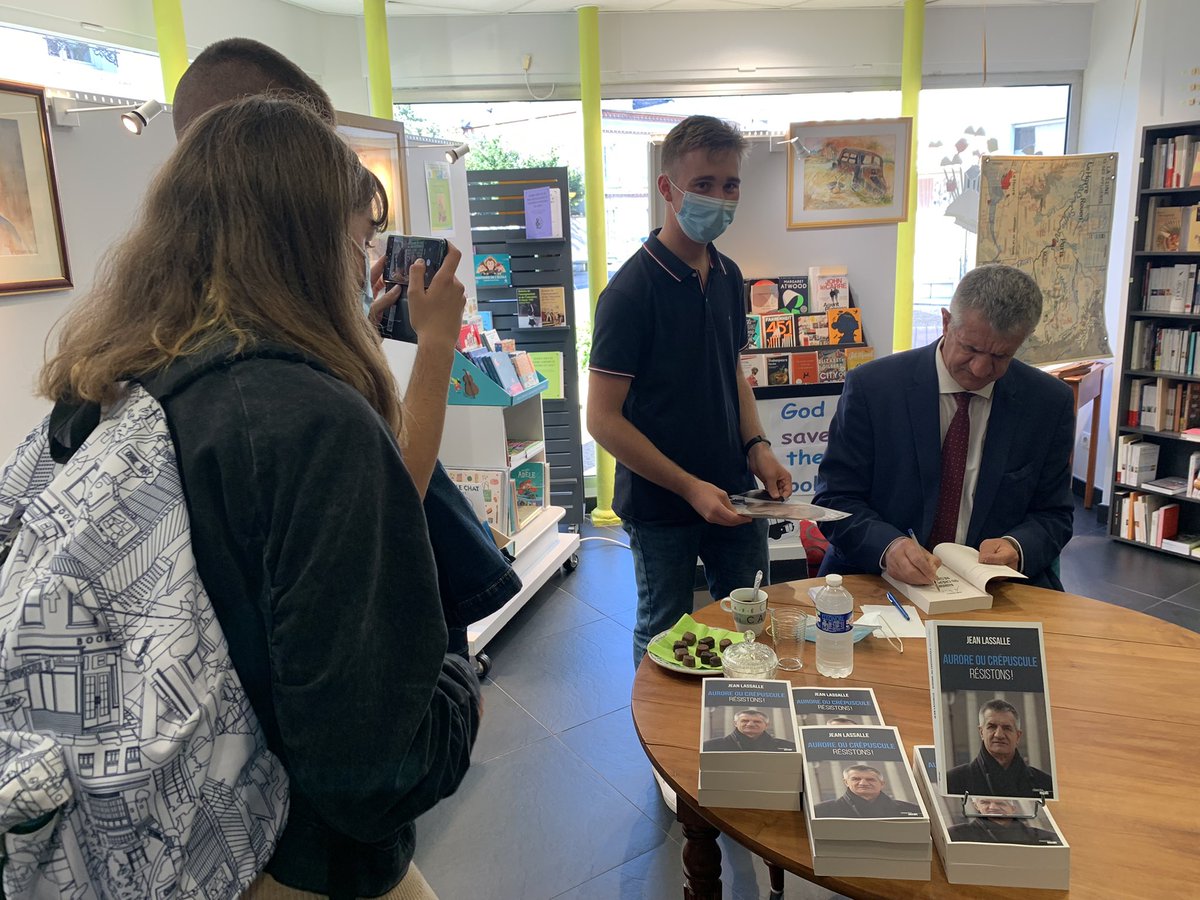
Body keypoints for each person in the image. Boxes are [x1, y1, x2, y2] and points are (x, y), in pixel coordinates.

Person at [38, 96, 480, 898]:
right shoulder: (313, 422)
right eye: (360, 234)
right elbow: (373, 770)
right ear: (313, 237)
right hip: (299, 857)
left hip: (156, 844)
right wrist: (457, 673)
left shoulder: (105, 383)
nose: (363, 259)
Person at [172, 37, 520, 654]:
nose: (362, 256)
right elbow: (394, 497)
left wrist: (357, 331)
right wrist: (437, 344)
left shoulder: (175, 340)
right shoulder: (280, 388)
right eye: (359, 235)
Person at [587, 115, 792, 667]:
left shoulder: (728, 276)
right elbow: (602, 420)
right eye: (703, 184)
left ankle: (744, 725)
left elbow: (732, 372)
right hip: (660, 505)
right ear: (667, 189)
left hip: (734, 493)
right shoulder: (630, 292)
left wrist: (758, 447)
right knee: (665, 634)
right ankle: (660, 748)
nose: (719, 198)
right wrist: (687, 486)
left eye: (730, 186)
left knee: (750, 616)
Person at [814, 264, 1074, 590]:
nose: (980, 369)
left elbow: (1054, 514)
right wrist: (887, 547)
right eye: (971, 348)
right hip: (877, 578)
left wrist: (1017, 547)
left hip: (995, 589)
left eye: (1001, 356)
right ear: (946, 321)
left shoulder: (1048, 402)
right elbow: (835, 499)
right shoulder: (874, 388)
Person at [946, 699, 1053, 798]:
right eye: (992, 727)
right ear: (981, 732)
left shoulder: (1045, 784)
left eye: (1007, 728)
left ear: (1018, 736)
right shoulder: (953, 782)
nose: (999, 735)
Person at [812, 764, 921, 818]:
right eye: (856, 779)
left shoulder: (912, 810)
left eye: (870, 779)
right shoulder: (821, 811)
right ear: (846, 782)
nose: (863, 783)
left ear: (882, 784)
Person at [947, 796, 1061, 845]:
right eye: (985, 802)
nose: (992, 807)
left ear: (1013, 808)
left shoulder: (1045, 838)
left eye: (1000, 803)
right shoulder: (955, 834)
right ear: (976, 805)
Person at [702, 709, 797, 752]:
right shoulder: (710, 747)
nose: (750, 724)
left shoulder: (789, 747)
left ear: (766, 725)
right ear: (735, 723)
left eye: (757, 721)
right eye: (745, 721)